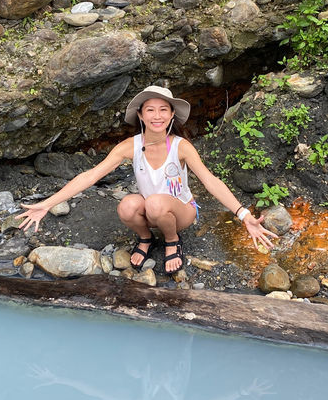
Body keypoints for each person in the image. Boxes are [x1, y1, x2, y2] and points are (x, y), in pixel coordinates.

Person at [17, 85, 278, 275]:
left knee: (154, 203)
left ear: (172, 116)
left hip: (181, 211)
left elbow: (210, 181)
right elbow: (91, 175)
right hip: (151, 206)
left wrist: (244, 216)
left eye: (163, 110)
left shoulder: (181, 146)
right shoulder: (130, 146)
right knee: (127, 205)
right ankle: (145, 238)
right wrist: (47, 204)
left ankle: (172, 240)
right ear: (141, 116)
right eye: (150, 110)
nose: (157, 116)